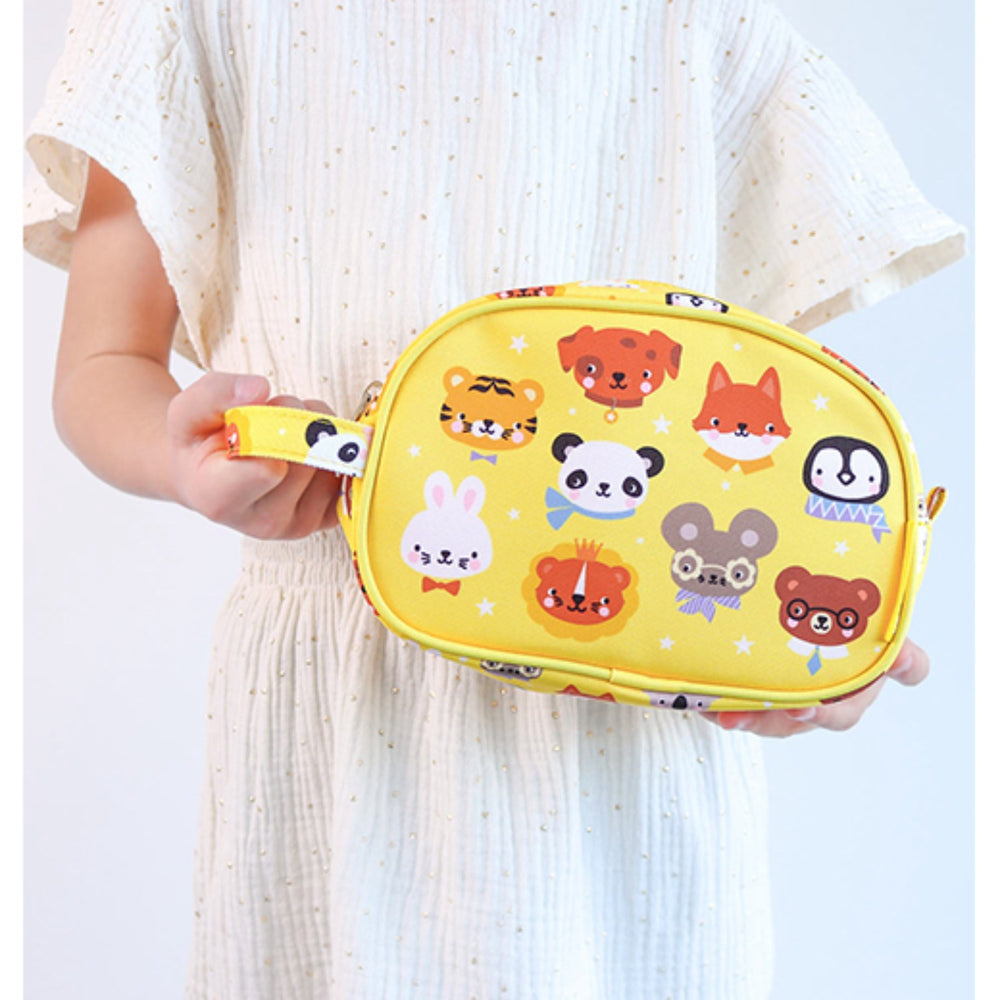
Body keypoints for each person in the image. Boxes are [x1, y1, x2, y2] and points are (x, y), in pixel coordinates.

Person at [23, 0, 965, 996]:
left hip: (625, 744)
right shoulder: (185, 16)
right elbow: (103, 364)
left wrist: (803, 643)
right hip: (332, 725)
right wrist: (181, 458)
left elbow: (742, 446)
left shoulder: (703, 27)